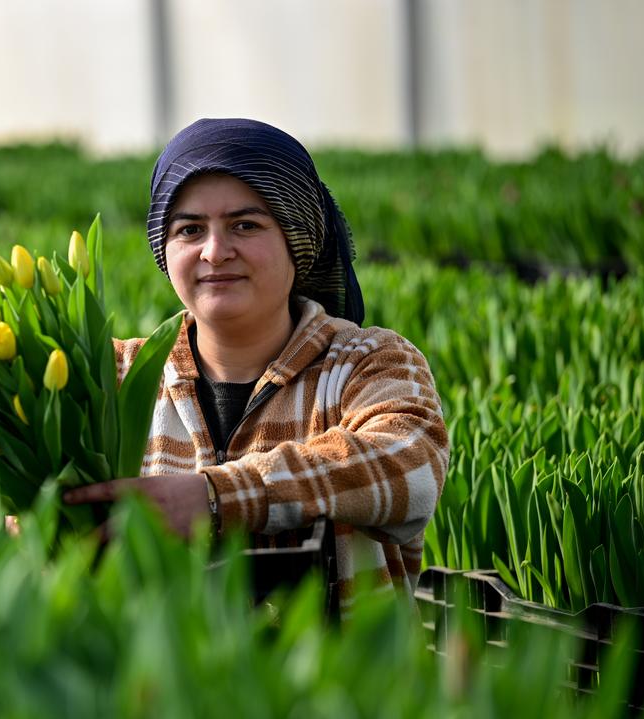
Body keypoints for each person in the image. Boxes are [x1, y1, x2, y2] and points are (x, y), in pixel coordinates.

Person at [62, 118, 449, 597]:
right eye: (190, 229)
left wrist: (216, 498)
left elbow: (412, 470)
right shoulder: (114, 375)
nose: (215, 251)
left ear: (298, 240)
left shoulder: (366, 362)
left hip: (339, 647)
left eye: (245, 225)